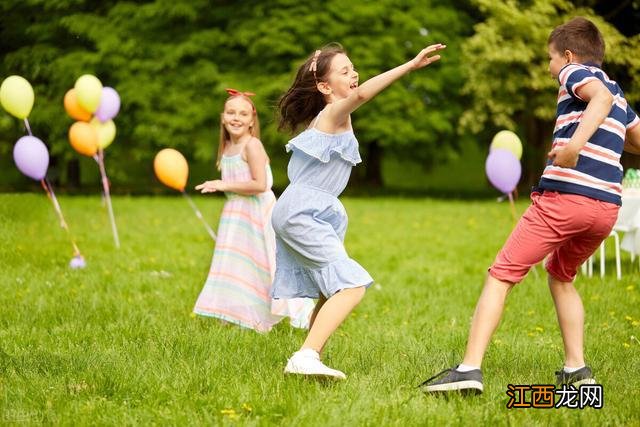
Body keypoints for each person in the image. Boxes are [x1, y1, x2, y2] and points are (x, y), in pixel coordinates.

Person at [421, 17, 640, 395]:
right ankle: (577, 370)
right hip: (605, 209)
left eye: (550, 59)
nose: (551, 68)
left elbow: (597, 101)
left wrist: (573, 147)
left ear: (569, 55)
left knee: (501, 274)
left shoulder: (576, 73)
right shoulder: (618, 93)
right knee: (561, 274)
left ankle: (469, 369)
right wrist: (609, 138)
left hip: (565, 199)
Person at [272, 42, 446, 379]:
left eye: (353, 69)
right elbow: (363, 95)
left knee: (330, 288)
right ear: (325, 87)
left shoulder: (337, 116)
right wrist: (409, 65)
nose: (353, 75)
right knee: (351, 285)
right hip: (303, 211)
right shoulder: (332, 112)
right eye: (344, 71)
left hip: (309, 209)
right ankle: (304, 356)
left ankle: (311, 354)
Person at [193, 89, 314, 332]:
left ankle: (293, 311)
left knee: (266, 263)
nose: (236, 118)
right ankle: (239, 313)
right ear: (222, 117)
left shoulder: (252, 145)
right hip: (237, 215)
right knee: (237, 263)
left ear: (252, 120)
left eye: (243, 113)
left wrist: (223, 184)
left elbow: (261, 184)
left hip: (258, 214)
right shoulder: (227, 147)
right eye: (231, 112)